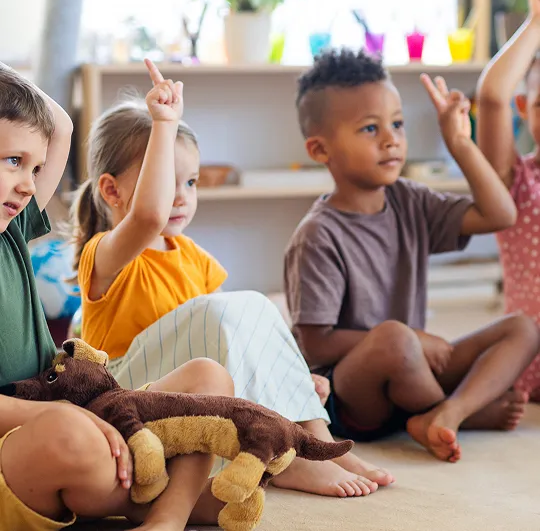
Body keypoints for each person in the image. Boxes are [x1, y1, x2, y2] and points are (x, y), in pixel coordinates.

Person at [70, 59, 393, 498]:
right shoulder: (104, 255)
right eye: (168, 181)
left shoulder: (195, 258)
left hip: (197, 400)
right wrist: (164, 124)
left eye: (192, 182)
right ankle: (288, 457)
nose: (182, 197)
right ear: (111, 191)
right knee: (229, 306)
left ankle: (316, 443)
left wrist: (290, 377)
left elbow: (234, 347)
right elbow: (147, 216)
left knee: (252, 308)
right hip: (132, 397)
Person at [0, 60, 246, 531]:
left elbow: (62, 126)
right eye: (14, 161)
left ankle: (168, 514)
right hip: (26, 435)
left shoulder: (10, 229)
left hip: (70, 400)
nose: (30, 183)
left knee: (208, 377)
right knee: (67, 432)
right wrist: (61, 416)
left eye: (34, 166)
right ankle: (168, 498)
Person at [284, 47, 540, 463]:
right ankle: (462, 412)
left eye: (397, 124)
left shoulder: (409, 200)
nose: (391, 139)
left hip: (416, 366)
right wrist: (410, 337)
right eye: (370, 129)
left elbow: (500, 213)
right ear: (320, 149)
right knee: (395, 336)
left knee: (523, 328)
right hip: (355, 397)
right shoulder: (318, 234)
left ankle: (449, 411)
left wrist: (460, 143)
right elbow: (315, 341)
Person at [476, 0, 540, 401]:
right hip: (529, 361)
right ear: (525, 108)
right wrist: (536, 20)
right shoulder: (517, 183)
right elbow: (493, 97)